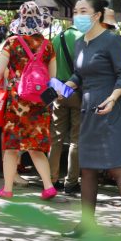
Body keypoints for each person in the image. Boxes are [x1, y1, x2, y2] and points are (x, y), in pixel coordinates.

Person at [61, 0, 121, 241]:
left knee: (118, 169)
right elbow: (79, 74)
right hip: (89, 110)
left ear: (97, 15)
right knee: (87, 168)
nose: (78, 15)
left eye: (83, 11)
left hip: (112, 110)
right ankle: (87, 223)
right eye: (75, 11)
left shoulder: (113, 39)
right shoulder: (79, 42)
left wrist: (112, 99)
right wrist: (65, 87)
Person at [0, 2, 58, 200]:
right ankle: (48, 186)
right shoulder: (48, 45)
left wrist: (8, 73)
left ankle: (7, 189)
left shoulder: (12, 43)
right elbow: (53, 79)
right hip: (40, 102)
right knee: (35, 146)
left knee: (12, 147)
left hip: (17, 101)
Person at [49, 22, 83, 194]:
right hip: (76, 91)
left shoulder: (56, 38)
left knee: (56, 138)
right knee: (76, 139)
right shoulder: (84, 38)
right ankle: (71, 182)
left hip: (59, 92)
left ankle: (50, 179)